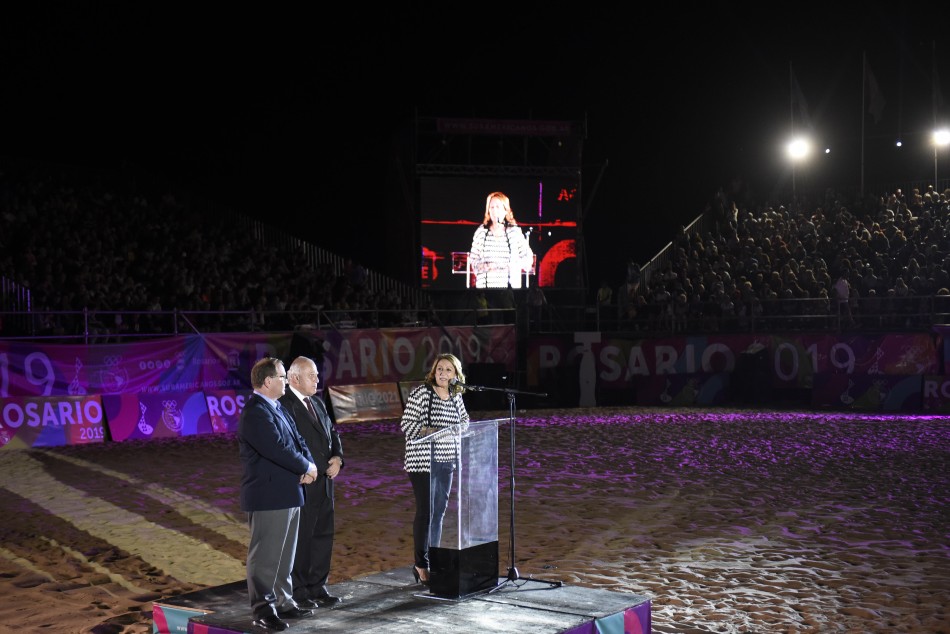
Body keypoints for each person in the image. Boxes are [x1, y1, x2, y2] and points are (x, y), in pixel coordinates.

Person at [239, 357, 319, 631]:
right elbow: (276, 449)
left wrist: (309, 465)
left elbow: (298, 441)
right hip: (268, 496)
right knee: (265, 556)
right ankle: (262, 608)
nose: (286, 381)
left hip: (289, 492)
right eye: (283, 377)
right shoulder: (255, 412)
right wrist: (306, 466)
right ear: (268, 381)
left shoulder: (278, 408)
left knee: (284, 555)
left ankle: (283, 602)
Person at [399, 353, 470, 586]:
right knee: (426, 512)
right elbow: (407, 425)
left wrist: (458, 429)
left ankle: (435, 559)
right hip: (423, 462)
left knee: (439, 513)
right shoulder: (422, 393)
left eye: (448, 370)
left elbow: (465, 422)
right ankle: (421, 564)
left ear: (456, 375)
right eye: (440, 369)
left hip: (446, 461)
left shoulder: (455, 396)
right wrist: (432, 432)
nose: (442, 373)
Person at [279, 356, 344, 609]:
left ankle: (318, 585)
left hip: (326, 483)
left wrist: (338, 457)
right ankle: (299, 589)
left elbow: (333, 433)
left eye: (317, 374)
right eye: (312, 375)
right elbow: (285, 444)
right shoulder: (285, 406)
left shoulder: (317, 402)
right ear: (294, 378)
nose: (317, 379)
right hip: (303, 483)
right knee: (302, 538)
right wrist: (302, 469)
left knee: (323, 534)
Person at [468, 191, 534, 289]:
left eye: (498, 207)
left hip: (509, 290)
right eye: (492, 207)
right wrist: (483, 266)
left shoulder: (514, 232)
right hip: (485, 288)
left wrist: (513, 266)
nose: (494, 211)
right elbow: (473, 259)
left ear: (505, 210)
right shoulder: (481, 232)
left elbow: (528, 258)